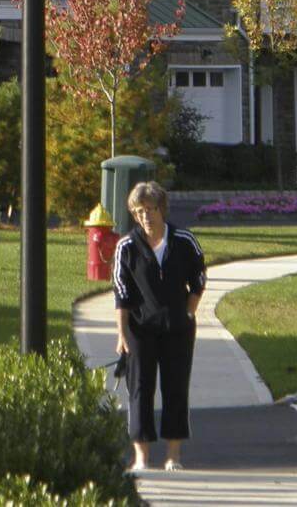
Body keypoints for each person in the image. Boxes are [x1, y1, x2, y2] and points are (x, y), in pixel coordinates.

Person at [112, 180, 206, 472]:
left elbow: (199, 278)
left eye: (150, 209)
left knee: (175, 388)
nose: (145, 217)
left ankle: (173, 456)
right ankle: (141, 457)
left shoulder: (183, 240)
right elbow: (121, 293)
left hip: (178, 329)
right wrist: (121, 333)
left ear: (161, 209)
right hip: (140, 330)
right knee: (140, 389)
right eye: (139, 211)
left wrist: (188, 312)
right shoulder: (126, 247)